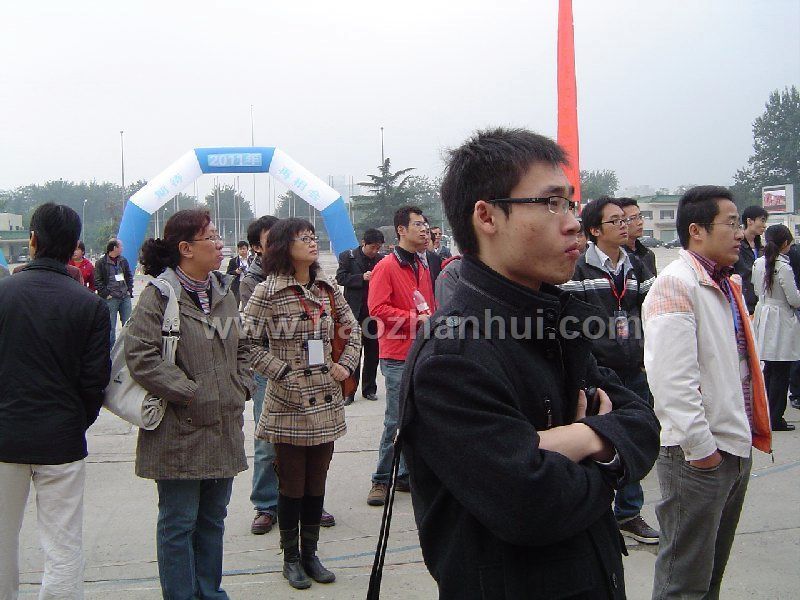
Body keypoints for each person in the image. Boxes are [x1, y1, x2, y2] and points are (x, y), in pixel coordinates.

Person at [397, 128, 659, 598]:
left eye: (570, 204)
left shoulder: (554, 321)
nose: (573, 223)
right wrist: (606, 455)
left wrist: (577, 438)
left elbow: (642, 423)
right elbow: (531, 505)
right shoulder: (453, 355)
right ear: (487, 216)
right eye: (551, 203)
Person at [643, 186, 772, 600]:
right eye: (730, 223)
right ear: (696, 231)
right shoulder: (675, 285)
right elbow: (672, 382)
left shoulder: (724, 283)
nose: (740, 232)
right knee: (684, 582)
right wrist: (702, 451)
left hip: (732, 445)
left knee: (710, 574)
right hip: (698, 456)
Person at [125, 209, 250, 599]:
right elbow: (142, 355)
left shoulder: (224, 291)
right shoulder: (160, 295)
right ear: (185, 248)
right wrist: (190, 392)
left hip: (224, 426)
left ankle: (209, 592)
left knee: (213, 519)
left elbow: (243, 345)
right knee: (179, 523)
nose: (219, 244)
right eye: (210, 237)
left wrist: (241, 385)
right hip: (179, 431)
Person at [243, 218, 361, 590]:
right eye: (303, 238)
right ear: (283, 246)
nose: (312, 242)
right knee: (292, 484)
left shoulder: (328, 288)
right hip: (288, 401)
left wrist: (345, 366)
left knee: (316, 481)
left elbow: (353, 329)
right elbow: (246, 343)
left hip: (325, 397)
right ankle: (290, 558)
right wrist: (281, 372)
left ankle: (311, 553)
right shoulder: (268, 290)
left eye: (313, 236)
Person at [0, 203, 110, 599]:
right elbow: (95, 382)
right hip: (61, 439)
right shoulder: (90, 305)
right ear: (74, 245)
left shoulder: (4, 293)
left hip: (5, 436)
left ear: (32, 239)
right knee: (63, 545)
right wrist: (75, 420)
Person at [561, 196, 659, 545]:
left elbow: (651, 311)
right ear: (594, 230)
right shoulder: (579, 269)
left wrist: (645, 352)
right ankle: (594, 510)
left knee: (630, 437)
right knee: (596, 439)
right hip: (598, 371)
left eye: (626, 219)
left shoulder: (637, 266)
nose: (624, 225)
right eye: (615, 220)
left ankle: (629, 512)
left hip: (633, 366)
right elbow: (569, 319)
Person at [366, 205, 436, 507]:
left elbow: (429, 305)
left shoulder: (422, 264)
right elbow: (377, 309)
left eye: (425, 224)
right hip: (396, 355)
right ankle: (381, 479)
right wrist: (414, 320)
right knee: (395, 419)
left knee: (418, 418)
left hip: (422, 351)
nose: (424, 229)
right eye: (418, 224)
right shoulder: (386, 267)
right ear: (401, 230)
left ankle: (405, 474)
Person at [752, 224, 800, 431]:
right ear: (786, 243)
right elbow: (794, 299)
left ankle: (765, 414)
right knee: (781, 370)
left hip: (764, 314)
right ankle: (776, 417)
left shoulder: (758, 263)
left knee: (769, 369)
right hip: (781, 318)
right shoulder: (783, 266)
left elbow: (756, 289)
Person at [335, 228, 385, 404]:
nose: (375, 251)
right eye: (372, 247)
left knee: (373, 354)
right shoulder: (348, 257)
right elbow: (340, 278)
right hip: (354, 313)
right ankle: (350, 391)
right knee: (353, 353)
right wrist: (361, 277)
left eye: (378, 248)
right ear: (363, 243)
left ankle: (369, 389)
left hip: (373, 315)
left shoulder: (381, 260)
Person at [95, 238, 134, 345]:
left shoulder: (123, 261)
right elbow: (97, 281)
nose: (122, 248)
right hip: (111, 298)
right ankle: (110, 350)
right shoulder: (101, 263)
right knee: (110, 327)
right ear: (115, 248)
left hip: (124, 297)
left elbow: (129, 276)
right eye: (121, 246)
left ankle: (127, 348)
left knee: (129, 325)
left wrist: (129, 290)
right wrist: (106, 294)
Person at [733, 205, 768, 315]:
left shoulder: (760, 247)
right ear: (749, 221)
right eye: (762, 220)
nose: (764, 225)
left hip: (760, 302)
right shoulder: (737, 245)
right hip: (744, 301)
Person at [618, 197, 657, 275]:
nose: (640, 222)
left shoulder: (648, 254)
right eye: (633, 218)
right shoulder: (617, 256)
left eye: (640, 217)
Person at [226, 240, 249, 304]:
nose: (242, 250)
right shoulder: (233, 261)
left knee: (247, 304)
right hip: (237, 285)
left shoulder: (251, 260)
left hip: (248, 284)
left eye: (244, 249)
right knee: (235, 303)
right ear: (238, 250)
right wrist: (236, 272)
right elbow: (228, 274)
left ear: (247, 249)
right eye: (240, 249)